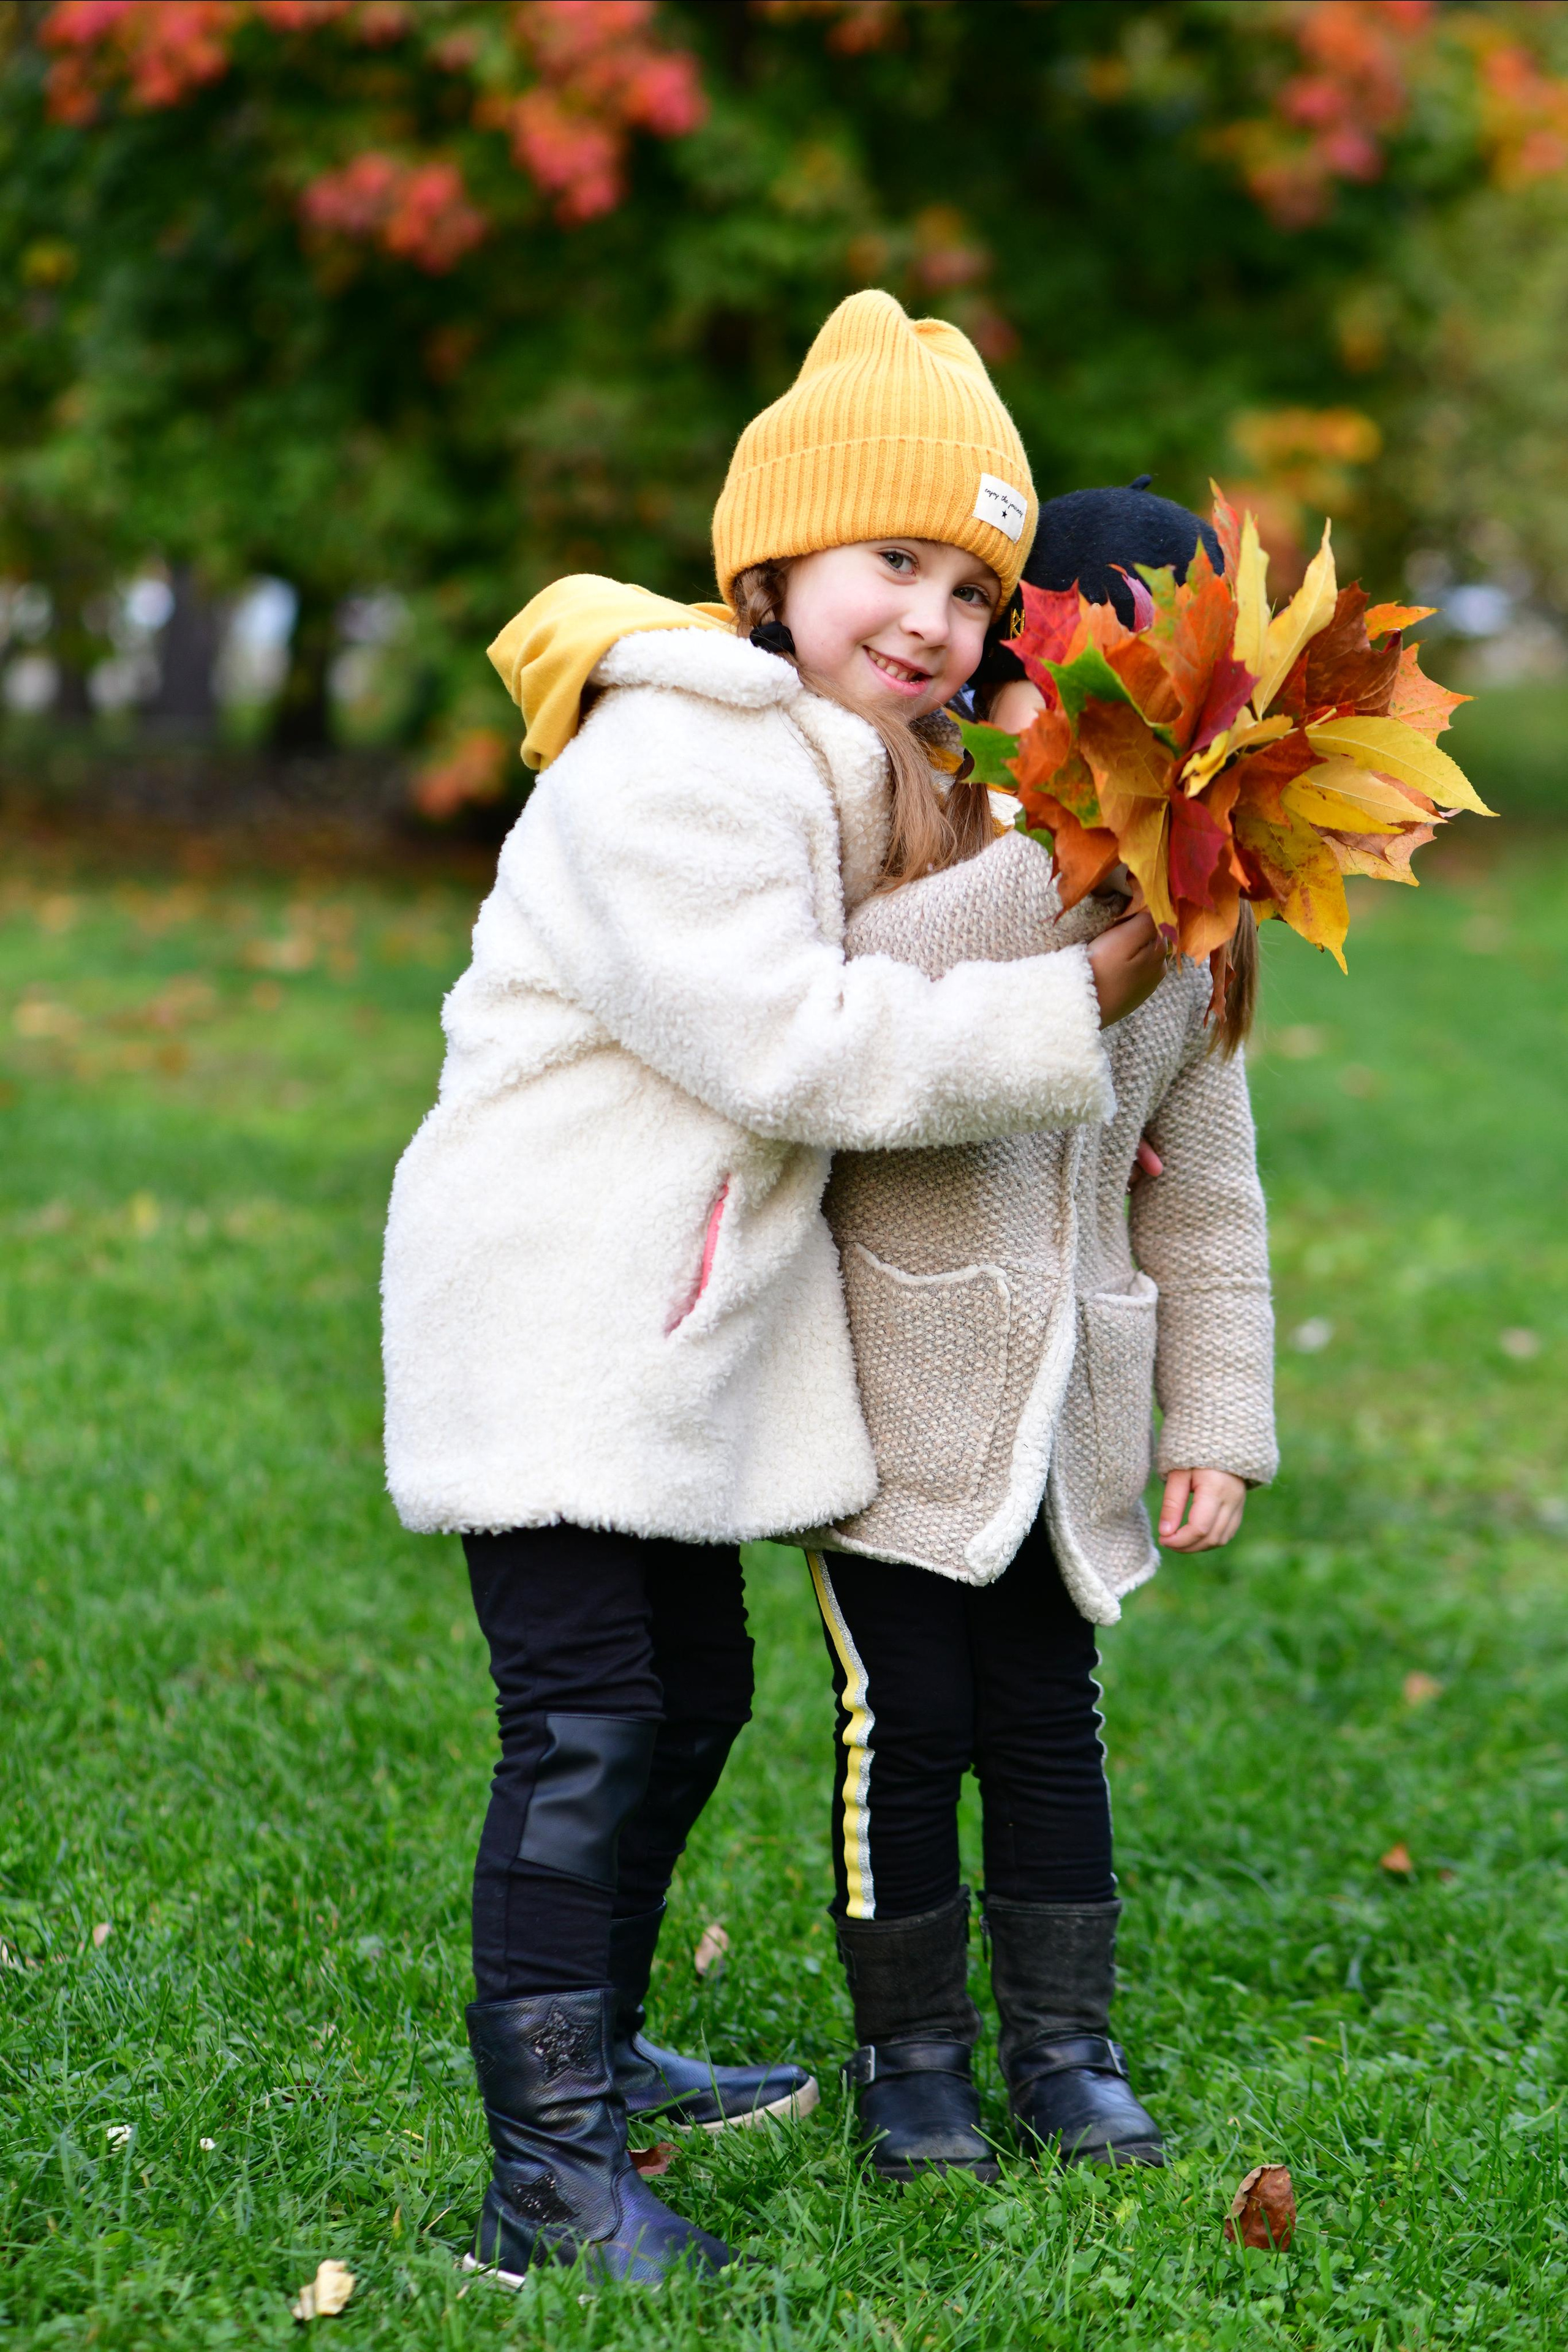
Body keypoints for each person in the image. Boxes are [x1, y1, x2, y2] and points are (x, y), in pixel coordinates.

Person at [380, 292, 1166, 2283]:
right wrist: (1083, 999)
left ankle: (605, 2046)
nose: (935, 620)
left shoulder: (839, 758)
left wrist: (1098, 983)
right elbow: (799, 1041)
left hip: (674, 1321)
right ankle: (543, 2177)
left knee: (690, 1691)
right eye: (893, 561)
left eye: (975, 590)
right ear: (773, 560)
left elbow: (912, 950)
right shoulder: (682, 761)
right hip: (561, 1307)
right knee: (582, 1722)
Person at [802, 483, 1278, 2183]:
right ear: (1001, 683)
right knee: (903, 1720)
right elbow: (853, 1002)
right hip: (897, 1388)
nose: (1108, 758)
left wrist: (1216, 1413)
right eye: (1066, 711)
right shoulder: (920, 841)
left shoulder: (1208, 923)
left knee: (1048, 1716)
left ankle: (1066, 2047)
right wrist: (1056, 870)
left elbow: (1205, 1195)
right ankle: (911, 2058)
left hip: (1077, 1393)